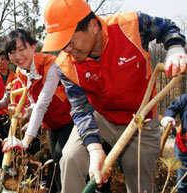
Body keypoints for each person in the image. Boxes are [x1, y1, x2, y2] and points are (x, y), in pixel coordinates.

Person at [41, 0, 187, 192]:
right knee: (70, 158)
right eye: (61, 44)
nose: (66, 49)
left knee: (140, 179)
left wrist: (175, 48)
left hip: (142, 119)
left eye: (69, 41)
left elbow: (167, 27)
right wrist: (94, 150)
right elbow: (80, 110)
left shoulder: (132, 26)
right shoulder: (65, 65)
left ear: (92, 26)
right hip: (101, 118)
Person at [0, 29, 74, 192]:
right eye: (12, 52)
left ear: (33, 47)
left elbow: (43, 102)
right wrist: (26, 112)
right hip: (51, 124)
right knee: (56, 162)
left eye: (22, 49)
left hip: (70, 118)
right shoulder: (20, 72)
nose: (18, 56)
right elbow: (34, 103)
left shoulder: (50, 65)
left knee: (60, 157)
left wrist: (25, 141)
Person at [161, 94, 187, 193]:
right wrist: (168, 118)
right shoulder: (185, 99)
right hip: (183, 146)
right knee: (182, 180)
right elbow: (173, 108)